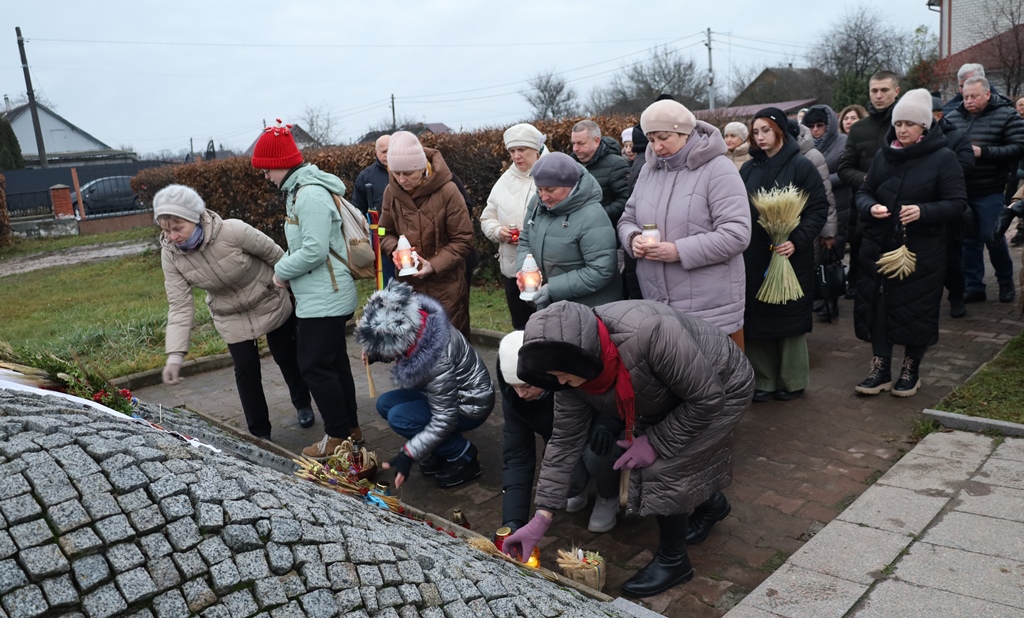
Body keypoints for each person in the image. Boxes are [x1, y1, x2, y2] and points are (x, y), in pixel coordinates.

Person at [503, 300, 754, 598]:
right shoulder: (570, 376)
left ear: (580, 358)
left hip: (722, 386)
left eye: (562, 373)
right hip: (668, 395)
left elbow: (707, 399)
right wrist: (540, 518)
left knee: (663, 466)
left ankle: (675, 562)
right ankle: (713, 505)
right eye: (552, 376)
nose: (559, 382)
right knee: (675, 458)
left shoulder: (649, 333)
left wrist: (656, 442)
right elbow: (564, 441)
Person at [155, 184, 312, 441]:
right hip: (230, 313)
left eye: (177, 228)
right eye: (166, 230)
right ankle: (260, 434)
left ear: (194, 218)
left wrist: (296, 289)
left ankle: (302, 402)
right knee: (246, 369)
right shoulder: (172, 256)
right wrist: (174, 356)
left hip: (267, 297)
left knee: (285, 354)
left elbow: (276, 255)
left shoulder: (232, 230)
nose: (173, 236)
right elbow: (180, 305)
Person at [250, 121, 360, 459]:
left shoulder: (309, 194)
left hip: (324, 296)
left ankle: (338, 437)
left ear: (279, 163)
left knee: (313, 365)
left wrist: (281, 272)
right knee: (334, 362)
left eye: (266, 168)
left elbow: (313, 250)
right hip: (323, 291)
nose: (265, 175)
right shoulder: (302, 190)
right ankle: (350, 429)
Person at [853, 89, 967, 397]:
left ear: (925, 127)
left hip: (922, 250)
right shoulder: (883, 154)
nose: (902, 129)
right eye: (898, 123)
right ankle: (880, 370)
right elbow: (865, 191)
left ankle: (910, 370)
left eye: (910, 124)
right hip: (880, 245)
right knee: (878, 306)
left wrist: (924, 211)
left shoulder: (944, 158)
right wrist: (869, 207)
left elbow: (958, 203)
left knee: (917, 310)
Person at [618, 99, 751, 349]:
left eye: (664, 138)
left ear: (685, 133)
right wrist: (632, 238)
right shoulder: (649, 171)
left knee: (715, 382)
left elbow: (736, 234)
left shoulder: (718, 169)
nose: (656, 147)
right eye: (651, 139)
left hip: (710, 308)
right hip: (658, 304)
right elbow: (627, 218)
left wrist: (678, 251)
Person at [357, 282, 494, 488]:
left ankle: (463, 454)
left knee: (399, 417)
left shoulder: (436, 359)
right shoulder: (417, 326)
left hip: (469, 405)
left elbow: (444, 418)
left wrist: (409, 453)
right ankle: (441, 449)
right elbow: (400, 348)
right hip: (444, 395)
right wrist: (375, 352)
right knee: (385, 403)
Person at [739, 107, 828, 402]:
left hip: (790, 255)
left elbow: (817, 209)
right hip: (755, 255)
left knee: (788, 318)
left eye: (766, 130)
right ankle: (762, 380)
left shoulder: (801, 166)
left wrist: (796, 241)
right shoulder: (749, 169)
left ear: (779, 131)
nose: (760, 137)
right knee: (757, 319)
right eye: (756, 131)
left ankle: (792, 380)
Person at [497, 330, 619, 534]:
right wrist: (513, 521)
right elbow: (517, 457)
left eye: (526, 385)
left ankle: (608, 495)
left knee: (600, 455)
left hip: (598, 431)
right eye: (513, 387)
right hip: (562, 441)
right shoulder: (515, 398)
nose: (520, 394)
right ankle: (577, 489)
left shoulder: (569, 372)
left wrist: (607, 424)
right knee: (563, 480)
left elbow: (613, 394)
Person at [378, 131, 475, 336]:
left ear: (422, 168)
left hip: (447, 287)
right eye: (396, 173)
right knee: (416, 352)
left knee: (449, 350)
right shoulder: (390, 193)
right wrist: (395, 250)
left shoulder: (448, 190)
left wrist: (434, 265)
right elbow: (384, 232)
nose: (402, 180)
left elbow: (464, 238)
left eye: (408, 173)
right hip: (409, 288)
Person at [944, 76, 1024, 304]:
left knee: (993, 236)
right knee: (968, 239)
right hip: (962, 188)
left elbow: (1019, 147)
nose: (968, 101)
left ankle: (1005, 281)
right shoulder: (953, 117)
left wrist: (984, 152)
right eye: (965, 96)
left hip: (991, 187)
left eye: (974, 96)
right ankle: (974, 285)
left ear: (987, 95)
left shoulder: (1007, 115)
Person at [515, 152, 621, 310]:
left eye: (550, 190)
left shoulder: (592, 215)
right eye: (540, 189)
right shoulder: (537, 203)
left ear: (570, 185)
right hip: (551, 304)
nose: (544, 197)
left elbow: (601, 270)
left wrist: (553, 288)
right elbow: (525, 240)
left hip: (590, 308)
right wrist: (525, 271)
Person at [839, 71, 901, 300]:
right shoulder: (859, 128)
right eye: (874, 90)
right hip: (865, 202)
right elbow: (845, 168)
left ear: (896, 91)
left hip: (900, 201)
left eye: (884, 90)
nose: (878, 96)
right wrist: (866, 179)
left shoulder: (905, 124)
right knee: (861, 249)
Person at [480, 123, 548, 329]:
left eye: (522, 150)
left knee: (549, 328)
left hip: (547, 270)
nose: (516, 156)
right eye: (512, 151)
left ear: (536, 150)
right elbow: (486, 217)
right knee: (521, 329)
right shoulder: (504, 181)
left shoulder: (554, 171)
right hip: (513, 269)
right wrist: (498, 231)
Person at [932, 95, 977, 318]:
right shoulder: (914, 140)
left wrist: (936, 174)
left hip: (948, 208)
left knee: (952, 259)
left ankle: (956, 297)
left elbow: (967, 166)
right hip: (922, 206)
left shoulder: (957, 138)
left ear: (938, 116)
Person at [803, 105, 849, 317]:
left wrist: (822, 181)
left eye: (820, 125)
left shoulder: (842, 143)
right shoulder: (803, 147)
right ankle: (819, 297)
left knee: (832, 255)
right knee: (814, 258)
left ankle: (832, 301)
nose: (815, 130)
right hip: (812, 208)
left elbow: (847, 171)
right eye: (811, 126)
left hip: (838, 205)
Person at [793, 122, 839, 318]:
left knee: (813, 269)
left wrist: (828, 232)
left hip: (810, 225)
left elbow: (825, 195)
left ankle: (825, 303)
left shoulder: (812, 156)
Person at [569, 119, 631, 227]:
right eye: (573, 143)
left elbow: (626, 201)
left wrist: (597, 215)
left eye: (580, 143)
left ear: (596, 141)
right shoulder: (569, 164)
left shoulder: (617, 165)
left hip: (605, 228)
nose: (575, 149)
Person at [352, 135, 394, 285]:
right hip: (381, 237)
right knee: (387, 281)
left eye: (390, 150)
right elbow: (358, 210)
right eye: (383, 151)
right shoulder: (366, 177)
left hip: (407, 236)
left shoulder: (406, 170)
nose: (387, 155)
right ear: (376, 152)